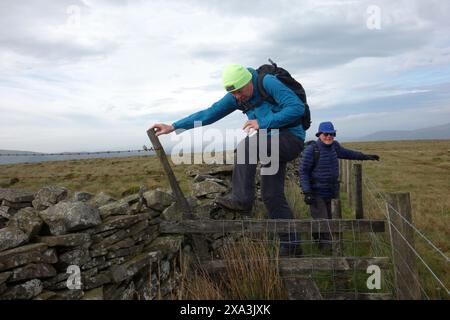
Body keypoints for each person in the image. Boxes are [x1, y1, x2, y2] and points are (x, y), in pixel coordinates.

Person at [150, 64, 306, 256]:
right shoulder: (236, 95)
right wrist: (174, 126)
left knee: (247, 145)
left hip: (291, 139)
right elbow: (209, 114)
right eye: (234, 94)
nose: (237, 97)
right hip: (270, 145)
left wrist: (262, 123)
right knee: (271, 195)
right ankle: (292, 245)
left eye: (240, 92)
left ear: (249, 82)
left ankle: (242, 200)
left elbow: (297, 108)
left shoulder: (267, 83)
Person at [299, 121, 380, 252]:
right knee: (323, 220)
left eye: (332, 134)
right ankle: (326, 247)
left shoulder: (335, 147)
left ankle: (322, 239)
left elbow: (349, 153)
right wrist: (307, 192)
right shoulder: (311, 150)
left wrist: (365, 156)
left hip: (332, 191)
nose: (329, 136)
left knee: (332, 218)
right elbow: (303, 171)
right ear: (320, 134)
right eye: (326, 134)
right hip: (316, 192)